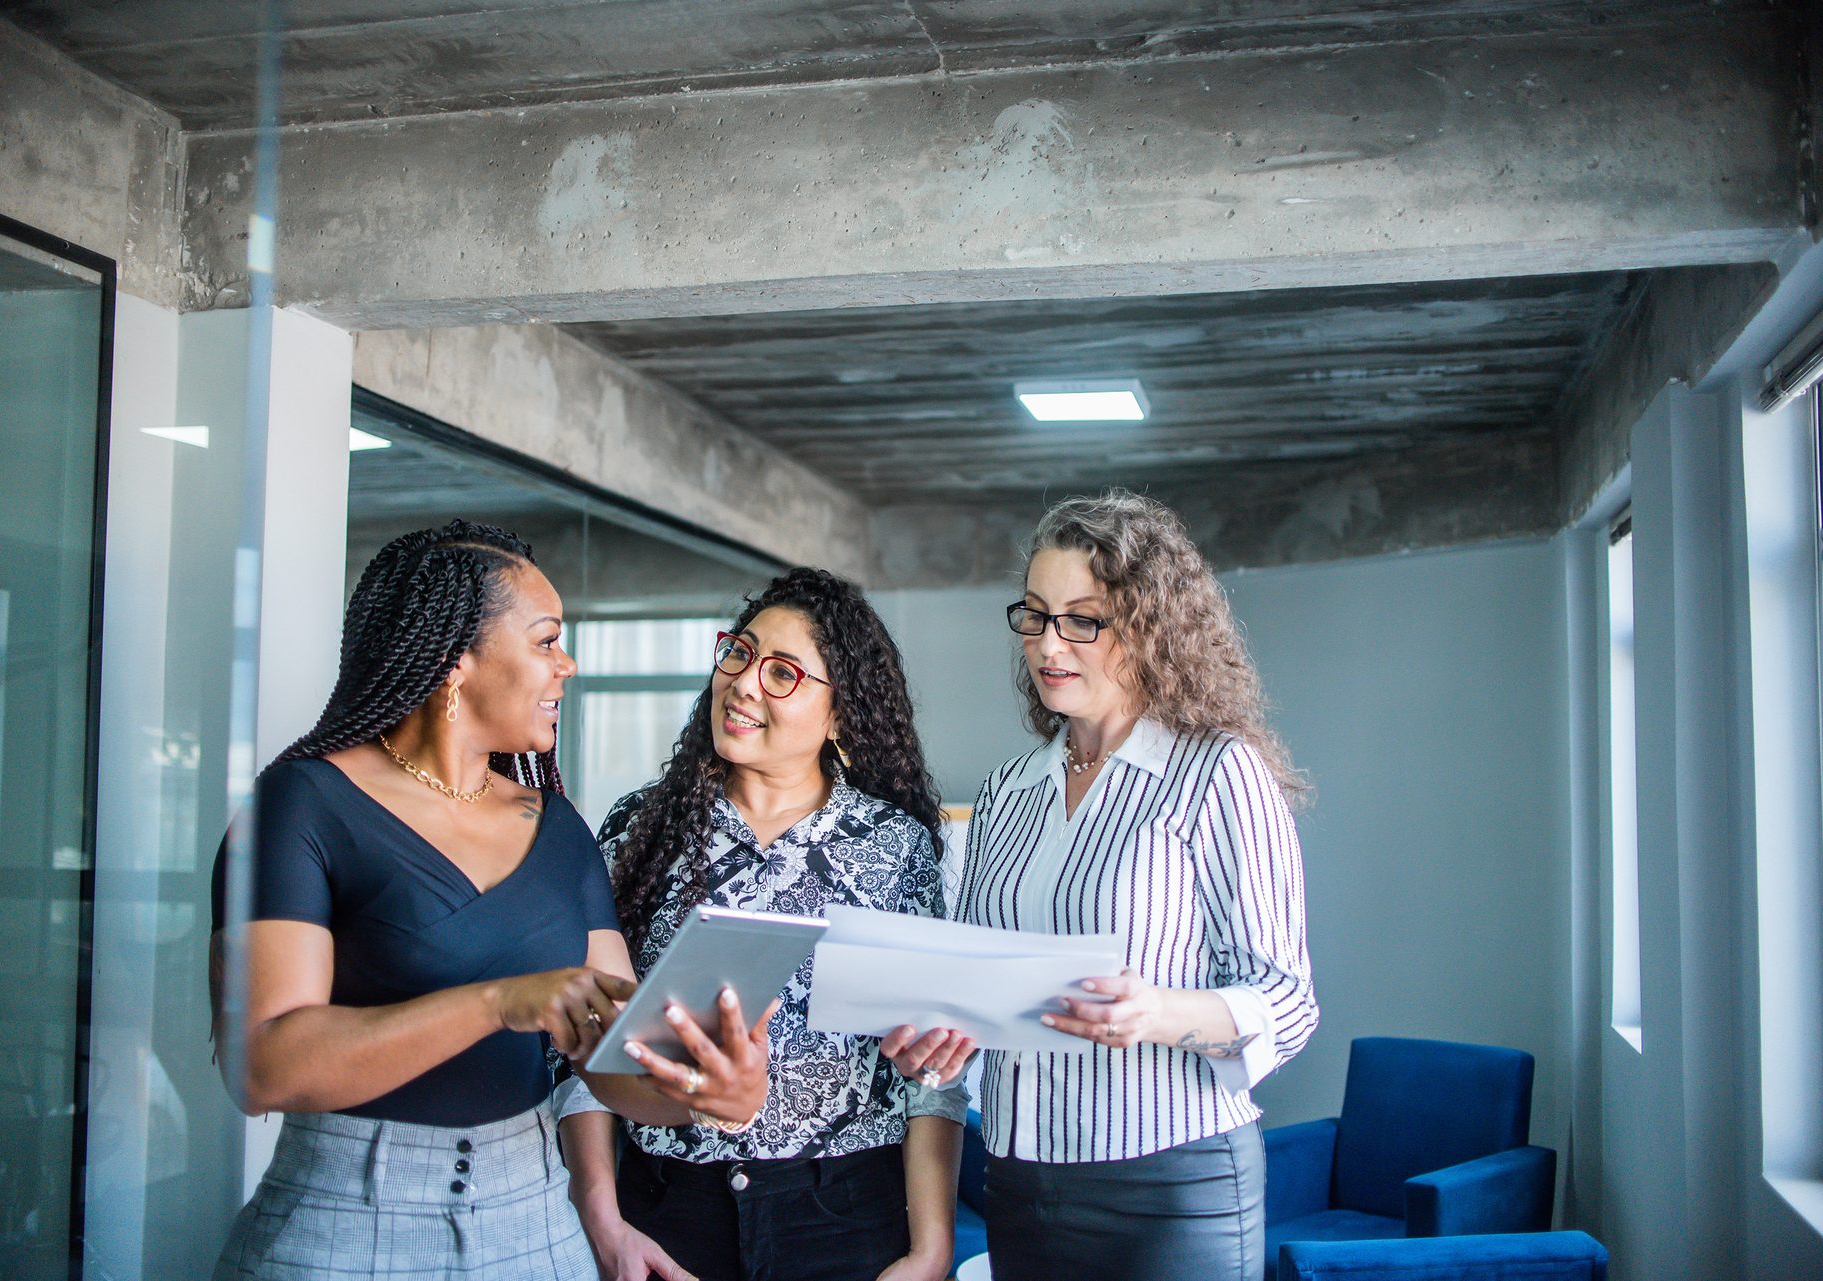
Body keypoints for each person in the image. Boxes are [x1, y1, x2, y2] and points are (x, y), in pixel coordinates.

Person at [209, 520, 770, 1281]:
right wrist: (500, 1001)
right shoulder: (302, 805)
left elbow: (615, 1060)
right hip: (346, 1217)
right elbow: (263, 1065)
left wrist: (705, 1091)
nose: (566, 665)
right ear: (455, 659)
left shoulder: (558, 827)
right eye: (545, 641)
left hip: (536, 1221)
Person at [883, 490, 1318, 1281]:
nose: (1050, 643)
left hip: (1171, 1188)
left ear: (1150, 630)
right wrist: (945, 1036)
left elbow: (1288, 1002)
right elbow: (985, 991)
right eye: (1037, 615)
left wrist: (1156, 1011)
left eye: (1083, 619)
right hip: (1018, 1182)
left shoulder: (1217, 773)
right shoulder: (1007, 790)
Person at [560, 568, 971, 1281]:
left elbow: (930, 1073)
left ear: (841, 714)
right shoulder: (638, 829)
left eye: (783, 672)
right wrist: (605, 1219)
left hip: (846, 1212)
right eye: (740, 654)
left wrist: (931, 1250)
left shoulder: (894, 845)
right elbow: (577, 1045)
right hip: (667, 1209)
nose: (746, 683)